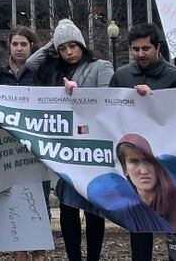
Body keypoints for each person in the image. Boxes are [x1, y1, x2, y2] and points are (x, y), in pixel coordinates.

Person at [25, 18, 113, 261]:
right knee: (68, 205)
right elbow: (32, 63)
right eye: (62, 49)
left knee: (94, 208)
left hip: (93, 146)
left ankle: (93, 257)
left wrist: (81, 92)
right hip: (66, 146)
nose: (68, 52)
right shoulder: (56, 69)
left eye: (72, 46)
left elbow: (108, 100)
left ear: (82, 45)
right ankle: (74, 256)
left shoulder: (100, 66)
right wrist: (58, 37)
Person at [107, 22, 176, 261]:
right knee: (139, 224)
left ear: (157, 47)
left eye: (145, 48)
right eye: (135, 49)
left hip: (170, 163)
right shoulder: (121, 75)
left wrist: (154, 99)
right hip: (136, 165)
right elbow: (108, 113)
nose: (140, 54)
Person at [0, 26, 49, 261]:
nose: (19, 48)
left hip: (36, 144)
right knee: (15, 195)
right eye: (15, 44)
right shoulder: (1, 74)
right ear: (9, 46)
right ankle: (19, 248)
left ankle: (39, 249)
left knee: (39, 195)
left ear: (32, 47)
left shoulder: (40, 73)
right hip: (9, 144)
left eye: (23, 44)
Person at [114, 134, 176, 234]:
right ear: (125, 169)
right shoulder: (125, 201)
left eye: (148, 161)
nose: (143, 171)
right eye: (134, 162)